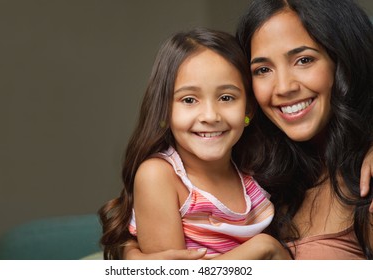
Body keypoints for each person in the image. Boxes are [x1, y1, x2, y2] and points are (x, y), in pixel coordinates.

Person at [120, 0, 373, 260]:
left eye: (304, 60)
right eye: (262, 69)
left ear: (343, 61)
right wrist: (134, 258)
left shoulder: (366, 177)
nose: (283, 86)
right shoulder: (260, 165)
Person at [99, 27, 290, 260]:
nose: (210, 116)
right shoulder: (159, 176)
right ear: (165, 109)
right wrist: (262, 247)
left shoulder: (254, 173)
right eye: (189, 99)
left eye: (226, 97)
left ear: (248, 109)